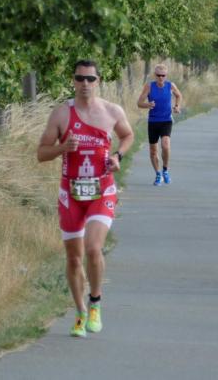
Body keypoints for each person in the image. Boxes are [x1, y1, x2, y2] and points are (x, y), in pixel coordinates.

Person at [37, 60, 134, 338]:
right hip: (71, 194)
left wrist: (118, 156)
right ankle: (80, 313)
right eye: (80, 78)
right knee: (73, 258)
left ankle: (95, 303)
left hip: (101, 190)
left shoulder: (112, 111)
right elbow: (41, 153)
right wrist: (62, 148)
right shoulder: (61, 114)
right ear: (73, 81)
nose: (85, 84)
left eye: (90, 79)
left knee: (93, 248)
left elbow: (127, 135)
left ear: (98, 81)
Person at [137, 63, 182, 186]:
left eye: (163, 75)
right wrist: (147, 105)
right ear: (155, 75)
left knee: (165, 145)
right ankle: (158, 174)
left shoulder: (170, 85)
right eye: (158, 75)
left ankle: (165, 170)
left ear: (166, 76)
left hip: (166, 120)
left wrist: (177, 106)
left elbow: (179, 95)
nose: (161, 77)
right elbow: (139, 103)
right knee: (153, 151)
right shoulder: (149, 86)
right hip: (153, 121)